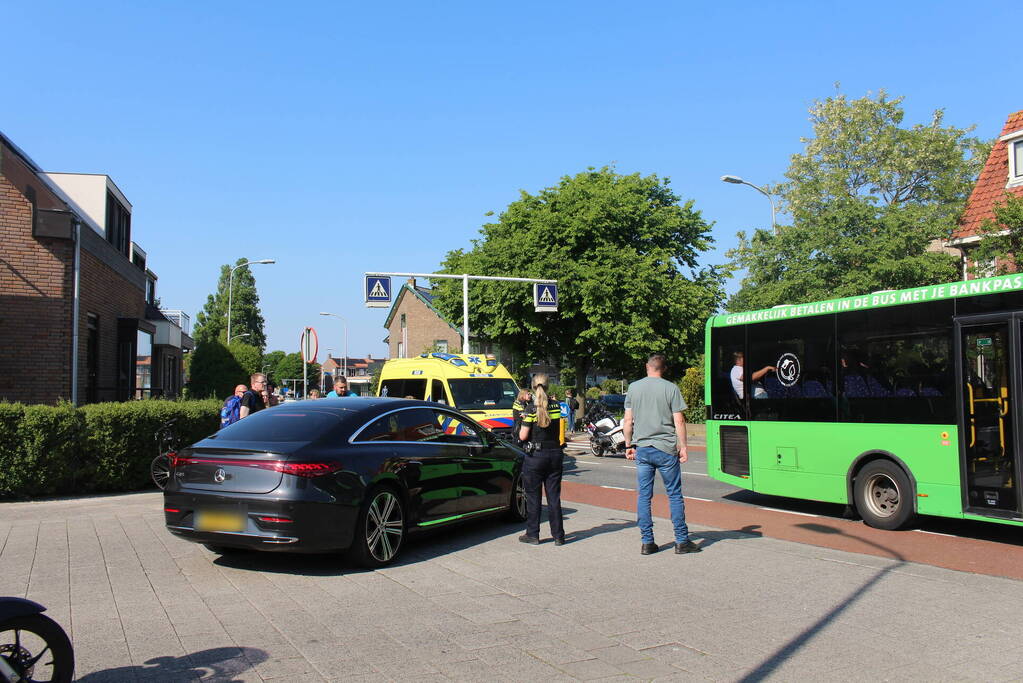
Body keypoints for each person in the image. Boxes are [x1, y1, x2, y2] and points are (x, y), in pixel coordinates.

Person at [623, 354, 701, 555]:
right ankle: (681, 541)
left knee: (644, 496)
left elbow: (628, 420)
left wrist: (628, 445)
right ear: (663, 369)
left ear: (646, 366)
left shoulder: (633, 388)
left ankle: (647, 542)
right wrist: (683, 446)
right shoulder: (671, 388)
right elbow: (679, 421)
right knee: (674, 494)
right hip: (665, 448)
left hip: (643, 449)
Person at [518, 374, 565, 546]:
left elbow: (523, 436)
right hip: (554, 455)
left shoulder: (530, 409)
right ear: (548, 387)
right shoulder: (557, 406)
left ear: (532, 387)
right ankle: (558, 536)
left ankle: (533, 534)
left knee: (533, 497)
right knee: (554, 497)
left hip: (535, 456)